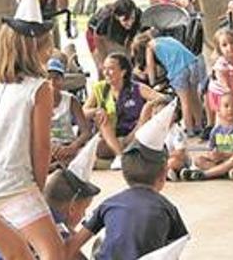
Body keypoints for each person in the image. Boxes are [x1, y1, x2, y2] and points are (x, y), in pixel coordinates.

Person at [0, 0, 62, 260]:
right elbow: (41, 147)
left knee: (16, 253)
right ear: (34, 46)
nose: (50, 50)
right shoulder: (39, 88)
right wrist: (37, 189)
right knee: (53, 252)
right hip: (15, 183)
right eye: (47, 44)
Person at [66, 102, 189, 259]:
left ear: (124, 173)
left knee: (99, 246)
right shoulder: (166, 208)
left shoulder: (109, 203)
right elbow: (175, 250)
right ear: (163, 175)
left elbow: (72, 246)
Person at [0, 136, 102, 260]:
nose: (83, 215)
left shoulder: (23, 213)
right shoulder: (54, 233)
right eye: (84, 210)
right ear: (72, 209)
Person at [82, 53, 158, 168]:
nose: (106, 73)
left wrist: (150, 107)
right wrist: (96, 110)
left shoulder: (137, 88)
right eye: (104, 69)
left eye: (111, 69)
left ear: (123, 72)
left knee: (148, 109)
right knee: (101, 120)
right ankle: (121, 156)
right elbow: (82, 112)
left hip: (134, 135)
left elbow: (163, 98)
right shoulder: (99, 88)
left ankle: (119, 158)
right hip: (111, 139)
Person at [132, 32, 206, 136]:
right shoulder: (167, 39)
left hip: (178, 71)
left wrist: (152, 83)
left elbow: (150, 67)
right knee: (194, 97)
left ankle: (189, 130)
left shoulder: (150, 46)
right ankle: (199, 125)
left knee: (184, 101)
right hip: (193, 63)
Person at [182, 93, 233, 181]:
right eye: (226, 106)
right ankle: (226, 172)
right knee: (199, 160)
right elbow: (211, 150)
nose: (230, 109)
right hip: (221, 162)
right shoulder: (216, 130)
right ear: (219, 110)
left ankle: (204, 175)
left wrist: (224, 155)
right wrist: (213, 155)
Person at [46, 58, 90, 166]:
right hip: (47, 146)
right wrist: (51, 146)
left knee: (80, 157)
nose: (52, 83)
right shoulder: (38, 102)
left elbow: (85, 132)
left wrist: (72, 147)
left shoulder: (71, 100)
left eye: (56, 78)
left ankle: (57, 166)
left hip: (68, 144)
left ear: (62, 80)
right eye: (48, 78)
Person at [86, 0, 142, 74]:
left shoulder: (138, 14)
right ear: (116, 17)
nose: (130, 23)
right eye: (125, 20)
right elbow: (98, 38)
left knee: (126, 65)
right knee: (104, 69)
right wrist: (103, 60)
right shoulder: (106, 20)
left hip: (115, 32)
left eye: (132, 18)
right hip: (94, 34)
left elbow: (131, 40)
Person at [207, 28, 233, 128]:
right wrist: (232, 94)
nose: (229, 47)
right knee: (223, 115)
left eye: (232, 43)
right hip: (220, 92)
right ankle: (220, 133)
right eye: (224, 45)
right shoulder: (221, 63)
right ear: (219, 49)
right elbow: (224, 83)